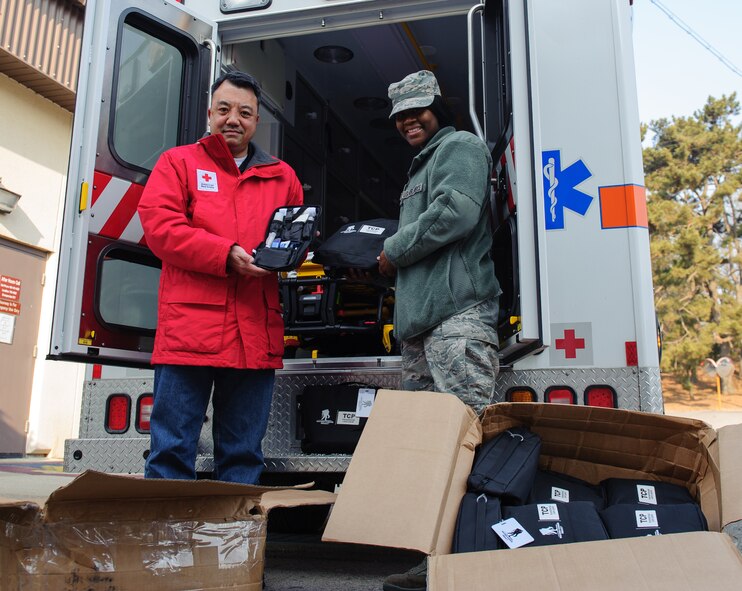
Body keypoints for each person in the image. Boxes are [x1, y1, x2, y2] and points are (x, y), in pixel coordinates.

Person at [137, 70, 303, 484]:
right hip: (189, 331)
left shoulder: (283, 176)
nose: (234, 119)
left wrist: (294, 254)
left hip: (254, 330)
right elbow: (159, 227)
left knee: (244, 455)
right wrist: (223, 253)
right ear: (210, 112)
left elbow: (293, 236)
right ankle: (165, 546)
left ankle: (231, 547)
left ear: (256, 121)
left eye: (245, 112)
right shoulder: (178, 162)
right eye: (225, 109)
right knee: (171, 452)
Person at [379, 70, 501, 591]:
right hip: (422, 328)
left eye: (418, 110)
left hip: (457, 319)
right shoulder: (419, 167)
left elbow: (455, 213)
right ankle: (433, 564)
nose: (410, 120)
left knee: (468, 445)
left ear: (438, 107)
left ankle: (476, 563)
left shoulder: (460, 146)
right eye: (401, 115)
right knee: (433, 453)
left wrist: (392, 251)